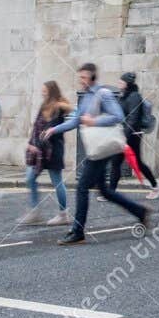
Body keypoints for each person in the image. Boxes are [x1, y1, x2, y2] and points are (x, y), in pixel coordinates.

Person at [52, 63, 149, 243]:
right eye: (80, 77)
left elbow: (118, 116)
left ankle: (78, 231)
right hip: (96, 148)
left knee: (82, 187)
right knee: (104, 191)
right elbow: (76, 121)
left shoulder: (102, 94)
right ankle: (139, 211)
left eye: (84, 77)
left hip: (102, 148)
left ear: (93, 78)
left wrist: (94, 122)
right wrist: (54, 130)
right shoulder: (87, 97)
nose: (81, 80)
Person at [108, 73, 159, 199]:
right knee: (116, 161)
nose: (119, 83)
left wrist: (124, 136)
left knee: (137, 163)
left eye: (121, 82)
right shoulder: (124, 95)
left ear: (128, 83)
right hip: (125, 133)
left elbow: (133, 118)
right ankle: (111, 192)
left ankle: (156, 186)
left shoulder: (134, 96)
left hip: (133, 135)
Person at [24, 81, 71, 223]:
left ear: (51, 91)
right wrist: (31, 143)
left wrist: (60, 105)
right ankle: (34, 212)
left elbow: (69, 112)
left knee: (57, 181)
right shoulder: (43, 106)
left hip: (53, 150)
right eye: (42, 90)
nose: (42, 93)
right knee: (30, 178)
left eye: (45, 91)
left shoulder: (59, 107)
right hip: (39, 149)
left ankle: (63, 214)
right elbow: (37, 126)